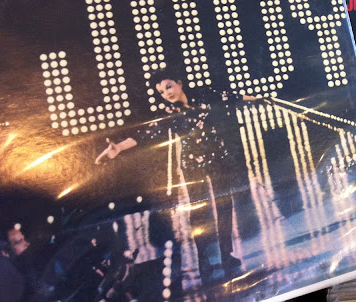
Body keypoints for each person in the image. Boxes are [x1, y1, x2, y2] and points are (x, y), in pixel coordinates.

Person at [95, 70, 256, 284]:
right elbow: (146, 133)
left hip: (218, 160)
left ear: (179, 82)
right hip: (193, 165)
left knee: (224, 206)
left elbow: (230, 96)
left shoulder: (204, 94)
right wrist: (119, 148)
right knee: (198, 212)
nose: (167, 93)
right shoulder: (169, 112)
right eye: (162, 92)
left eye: (168, 86)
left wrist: (260, 99)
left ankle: (227, 255)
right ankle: (204, 261)